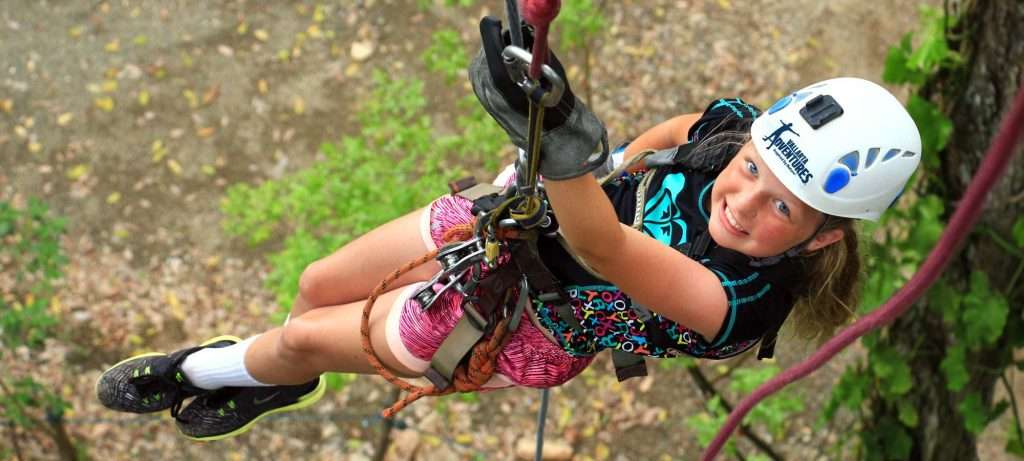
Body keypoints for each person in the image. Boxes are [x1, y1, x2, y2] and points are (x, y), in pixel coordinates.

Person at [95, 16, 921, 441]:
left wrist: (565, 148)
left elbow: (604, 248)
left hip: (527, 318)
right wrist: (605, 163)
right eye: (752, 171)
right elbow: (682, 132)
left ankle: (197, 370)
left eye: (782, 207)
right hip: (516, 217)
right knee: (316, 283)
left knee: (309, 333)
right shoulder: (741, 130)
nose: (741, 201)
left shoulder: (737, 302)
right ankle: (275, 376)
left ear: (822, 238)